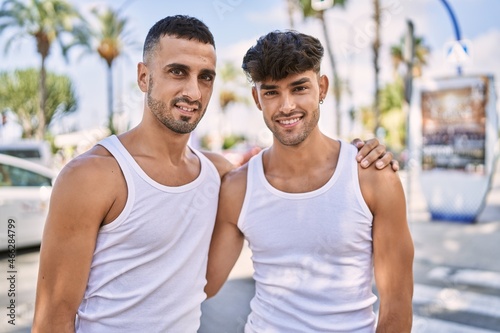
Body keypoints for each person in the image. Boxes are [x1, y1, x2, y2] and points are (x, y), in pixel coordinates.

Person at [32, 16, 396, 333]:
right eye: (177, 72)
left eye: (205, 77)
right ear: (144, 77)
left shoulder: (219, 175)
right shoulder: (91, 176)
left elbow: (202, 284)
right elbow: (52, 319)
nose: (192, 91)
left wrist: (367, 155)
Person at [205, 31, 414, 333]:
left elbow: (397, 305)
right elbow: (204, 285)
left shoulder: (373, 177)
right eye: (272, 92)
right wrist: (190, 165)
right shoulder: (238, 188)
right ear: (257, 98)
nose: (287, 105)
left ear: (322, 88)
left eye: (299, 87)